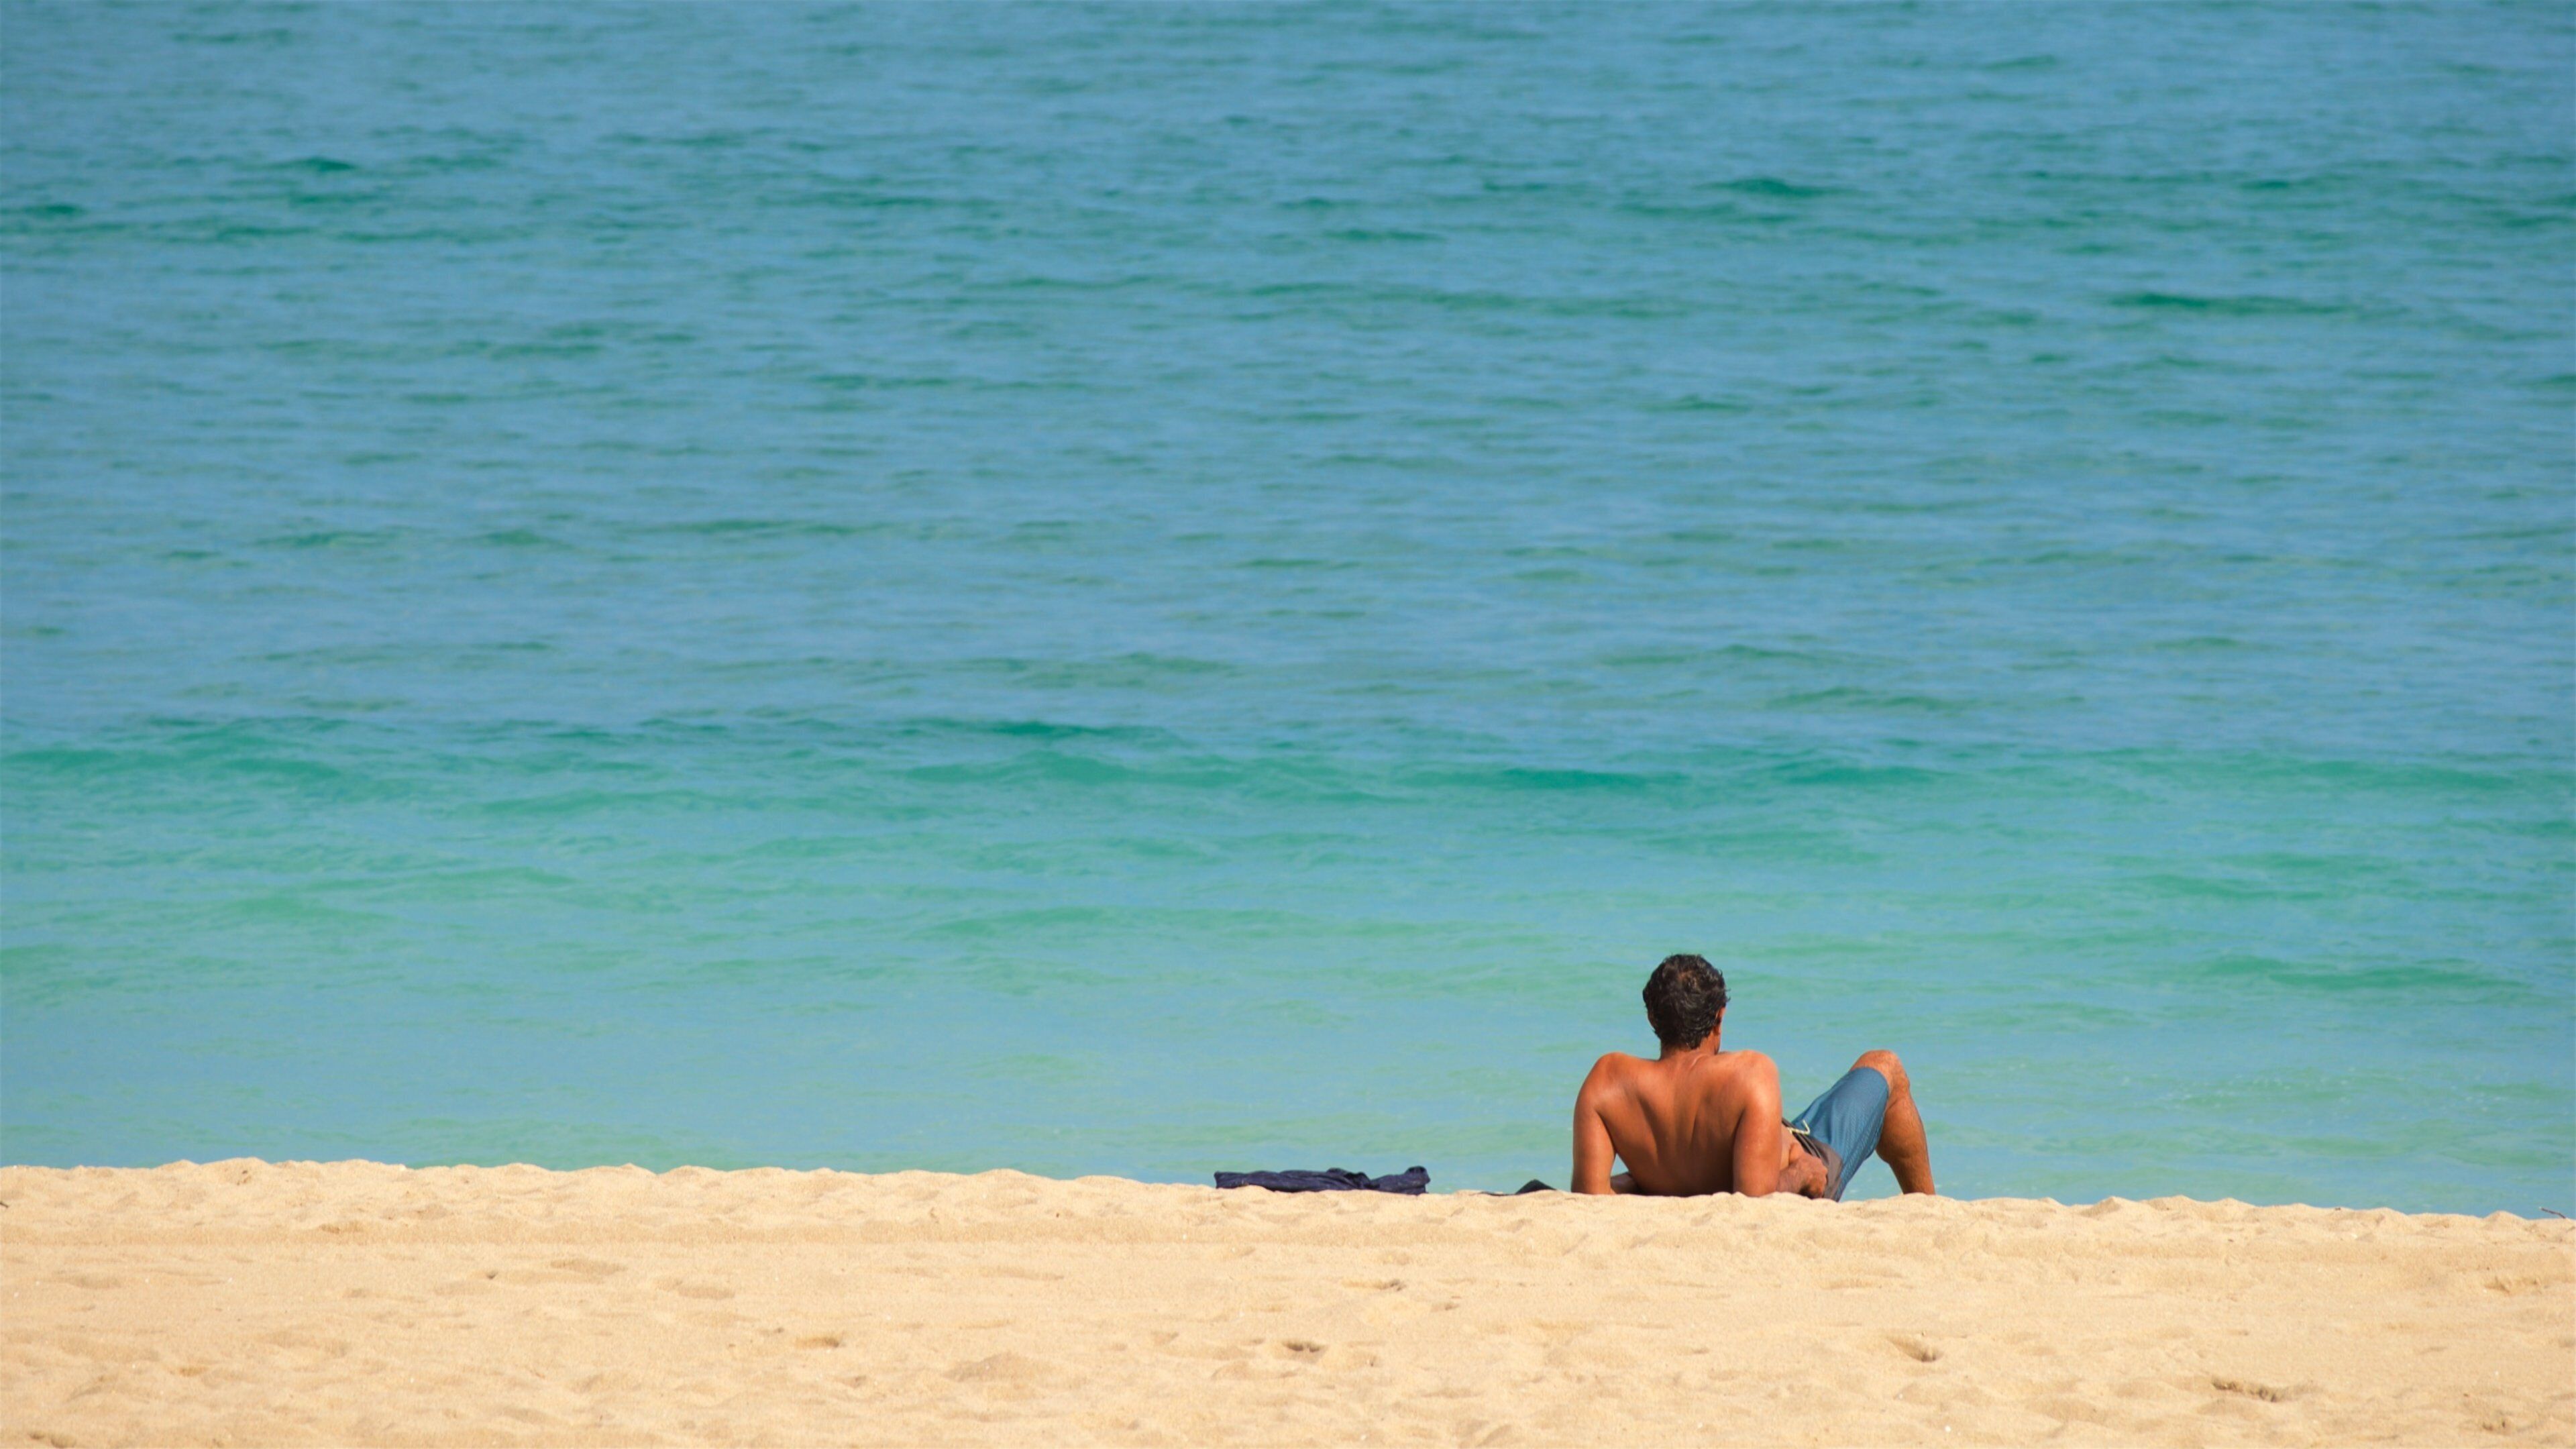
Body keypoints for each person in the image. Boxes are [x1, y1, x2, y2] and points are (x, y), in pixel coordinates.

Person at [1570, 953, 1935, 1199]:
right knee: (1886, 1068)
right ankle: (1929, 1207)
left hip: (1715, 1165)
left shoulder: (1608, 1081)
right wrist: (1803, 1174)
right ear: (1720, 1017)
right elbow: (1753, 1201)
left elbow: (1591, 1197)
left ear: (1653, 1019)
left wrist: (1647, 1182)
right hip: (1807, 1163)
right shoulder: (1748, 1073)